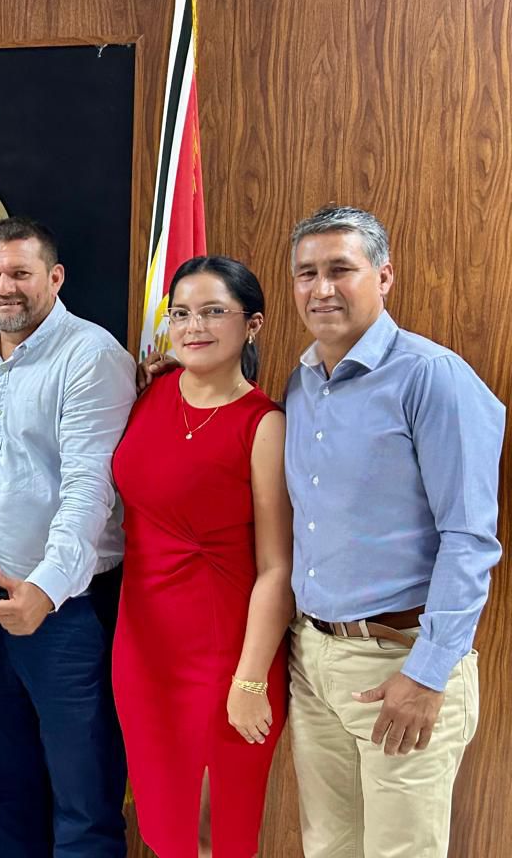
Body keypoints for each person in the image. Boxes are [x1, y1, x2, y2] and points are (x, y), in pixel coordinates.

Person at [283, 206, 503, 858]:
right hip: (314, 660)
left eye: (340, 270)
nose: (322, 289)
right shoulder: (302, 383)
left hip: (400, 662)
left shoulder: (432, 377)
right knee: (328, 848)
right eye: (307, 273)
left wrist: (428, 674)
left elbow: (469, 539)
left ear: (383, 277)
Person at [0, 217, 135, 858]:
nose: (5, 287)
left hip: (64, 613)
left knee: (83, 799)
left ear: (55, 277)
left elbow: (88, 491)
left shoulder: (92, 356)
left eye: (20, 273)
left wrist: (45, 591)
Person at [111, 256, 292, 858]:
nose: (194, 326)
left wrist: (250, 679)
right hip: (142, 647)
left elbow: (277, 568)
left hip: (222, 656)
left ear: (252, 325)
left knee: (214, 834)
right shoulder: (151, 391)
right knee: (164, 829)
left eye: (214, 312)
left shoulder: (263, 425)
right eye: (182, 313)